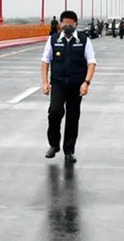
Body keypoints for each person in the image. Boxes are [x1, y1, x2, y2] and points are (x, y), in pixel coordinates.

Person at [41, 10, 96, 163]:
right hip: (58, 83)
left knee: (73, 117)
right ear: (60, 24)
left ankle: (69, 150)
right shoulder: (53, 40)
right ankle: (54, 144)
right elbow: (45, 61)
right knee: (54, 112)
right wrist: (45, 82)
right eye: (64, 23)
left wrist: (86, 82)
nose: (67, 26)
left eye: (70, 24)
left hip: (76, 85)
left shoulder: (84, 40)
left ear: (75, 24)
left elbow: (91, 62)